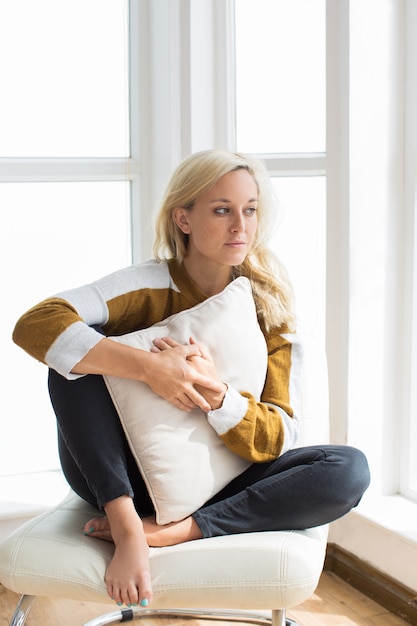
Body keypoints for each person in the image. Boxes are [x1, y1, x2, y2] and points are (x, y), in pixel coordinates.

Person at [13, 150, 370, 610]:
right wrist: (154, 369)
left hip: (228, 481)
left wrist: (215, 394)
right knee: (75, 355)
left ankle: (171, 532)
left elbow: (280, 437)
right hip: (124, 480)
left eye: (250, 209)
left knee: (348, 469)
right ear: (183, 218)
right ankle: (127, 528)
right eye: (222, 210)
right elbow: (36, 323)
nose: (240, 226)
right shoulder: (146, 285)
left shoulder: (273, 310)